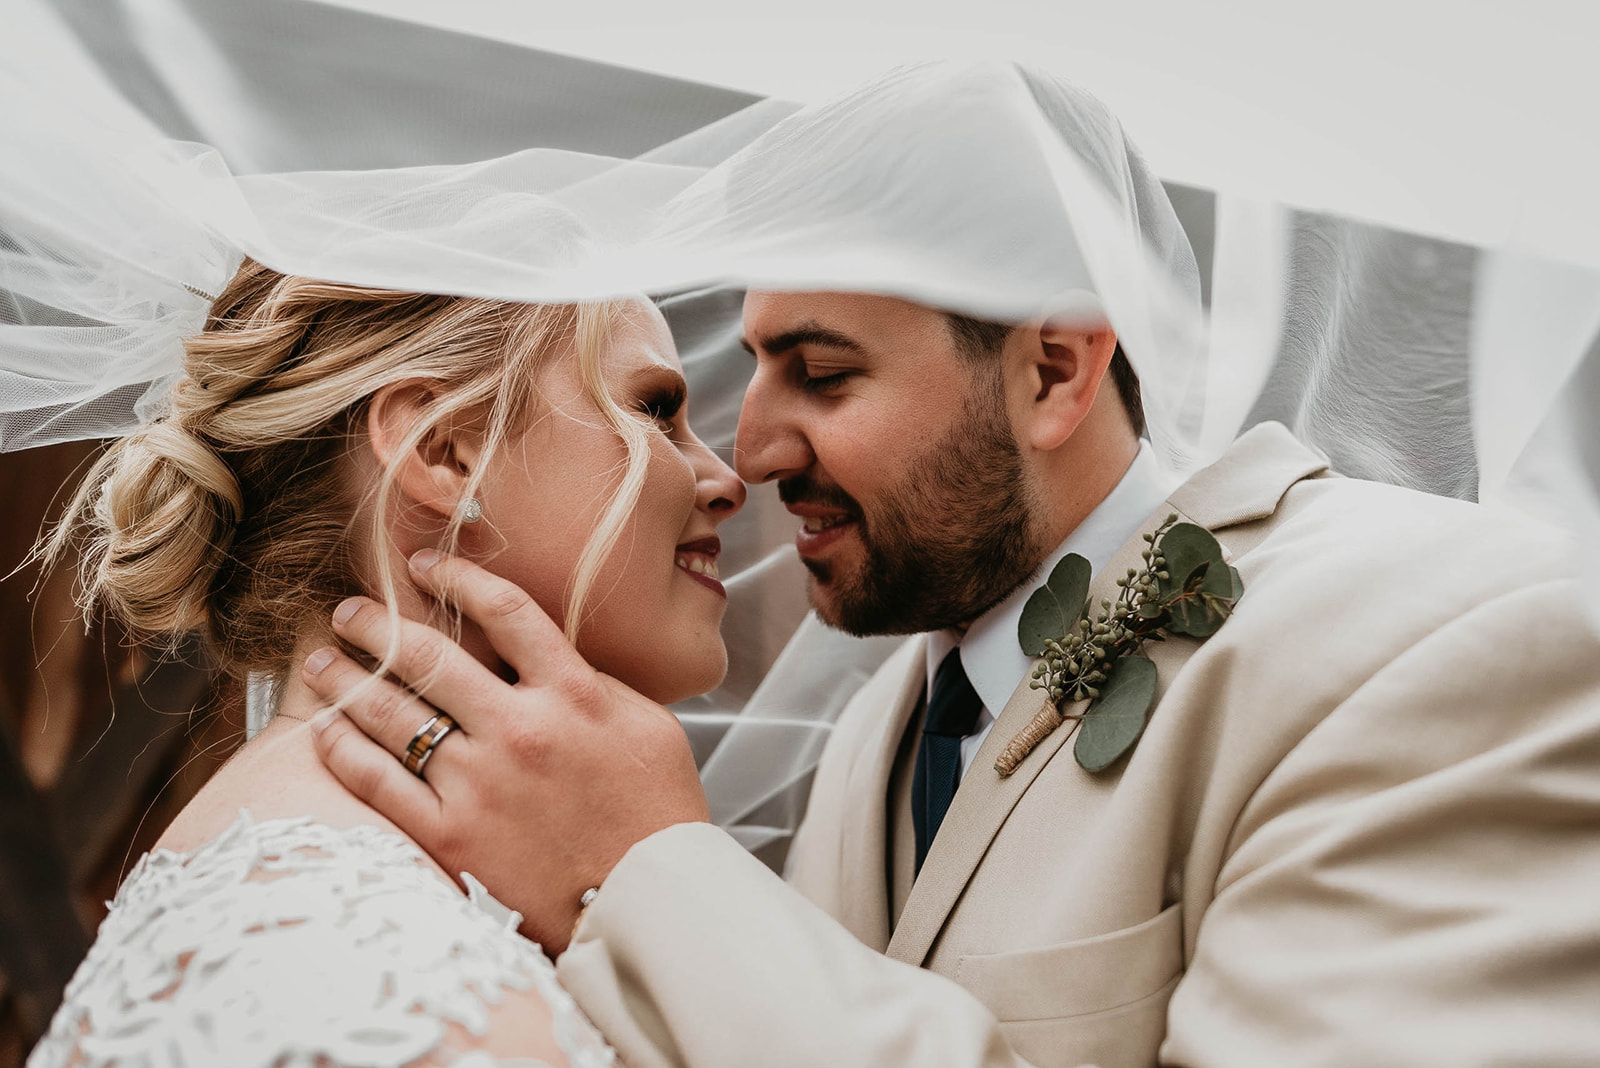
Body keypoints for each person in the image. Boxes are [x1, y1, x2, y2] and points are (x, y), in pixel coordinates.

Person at [303, 87, 1600, 1068]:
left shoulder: (1440, 643)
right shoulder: (884, 731)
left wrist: (646, 864)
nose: (748, 450)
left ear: (1052, 371)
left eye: (821, 371)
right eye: (748, 368)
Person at [26, 258, 746, 1067]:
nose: (726, 480)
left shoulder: (314, 878)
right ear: (444, 452)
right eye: (655, 411)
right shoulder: (358, 966)